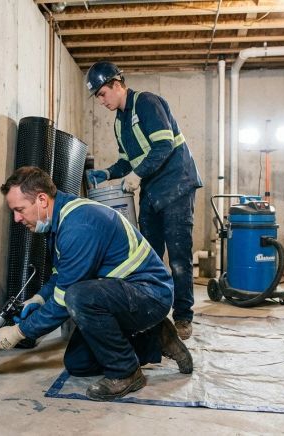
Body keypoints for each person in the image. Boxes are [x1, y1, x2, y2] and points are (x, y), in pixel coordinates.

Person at [0, 166, 192, 402]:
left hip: (150, 294)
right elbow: (61, 275)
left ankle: (126, 373)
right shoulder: (58, 222)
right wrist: (40, 298)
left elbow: (65, 299)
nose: (17, 218)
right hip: (123, 293)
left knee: (77, 296)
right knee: (78, 363)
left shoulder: (78, 225)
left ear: (42, 199)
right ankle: (155, 338)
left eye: (19, 210)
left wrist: (19, 332)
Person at [84, 61, 203, 340]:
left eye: (102, 94)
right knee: (148, 255)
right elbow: (128, 161)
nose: (101, 101)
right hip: (151, 190)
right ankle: (155, 315)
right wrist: (107, 173)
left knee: (179, 257)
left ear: (116, 84)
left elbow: (163, 146)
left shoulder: (147, 103)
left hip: (176, 185)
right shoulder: (120, 122)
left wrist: (136, 175)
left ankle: (183, 316)